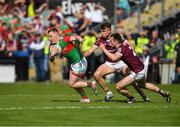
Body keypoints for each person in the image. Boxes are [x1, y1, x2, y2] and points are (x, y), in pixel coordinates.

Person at [84, 22, 149, 102]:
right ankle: (109, 92)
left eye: (104, 31)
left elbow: (131, 44)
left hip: (122, 63)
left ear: (109, 31)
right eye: (101, 31)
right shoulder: (100, 40)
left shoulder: (117, 37)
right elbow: (89, 51)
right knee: (96, 74)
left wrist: (133, 54)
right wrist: (80, 57)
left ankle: (144, 96)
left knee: (132, 81)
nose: (102, 33)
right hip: (110, 64)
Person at [99, 33, 171, 103]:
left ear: (116, 41)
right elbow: (132, 45)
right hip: (141, 68)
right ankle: (162, 92)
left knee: (118, 87)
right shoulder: (125, 44)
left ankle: (131, 98)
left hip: (137, 71)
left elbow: (114, 58)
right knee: (143, 85)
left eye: (111, 41)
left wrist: (104, 49)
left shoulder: (121, 48)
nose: (110, 43)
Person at [47, 27, 97, 103]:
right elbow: (51, 60)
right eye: (48, 36)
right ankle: (85, 98)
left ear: (57, 36)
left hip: (80, 62)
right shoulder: (51, 46)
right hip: (74, 64)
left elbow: (75, 37)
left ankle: (91, 84)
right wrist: (52, 55)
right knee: (75, 83)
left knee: (71, 84)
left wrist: (80, 39)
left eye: (50, 36)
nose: (49, 38)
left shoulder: (64, 39)